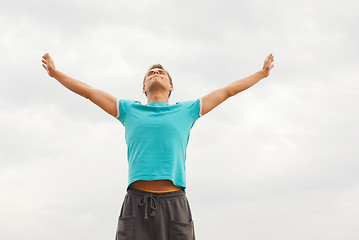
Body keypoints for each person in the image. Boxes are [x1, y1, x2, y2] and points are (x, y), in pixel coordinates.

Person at [42, 53, 274, 240]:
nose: (156, 74)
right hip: (136, 203)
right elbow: (89, 92)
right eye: (150, 73)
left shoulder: (187, 110)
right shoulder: (128, 110)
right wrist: (55, 74)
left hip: (174, 205)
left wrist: (261, 74)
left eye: (161, 73)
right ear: (144, 87)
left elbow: (227, 91)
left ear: (171, 86)